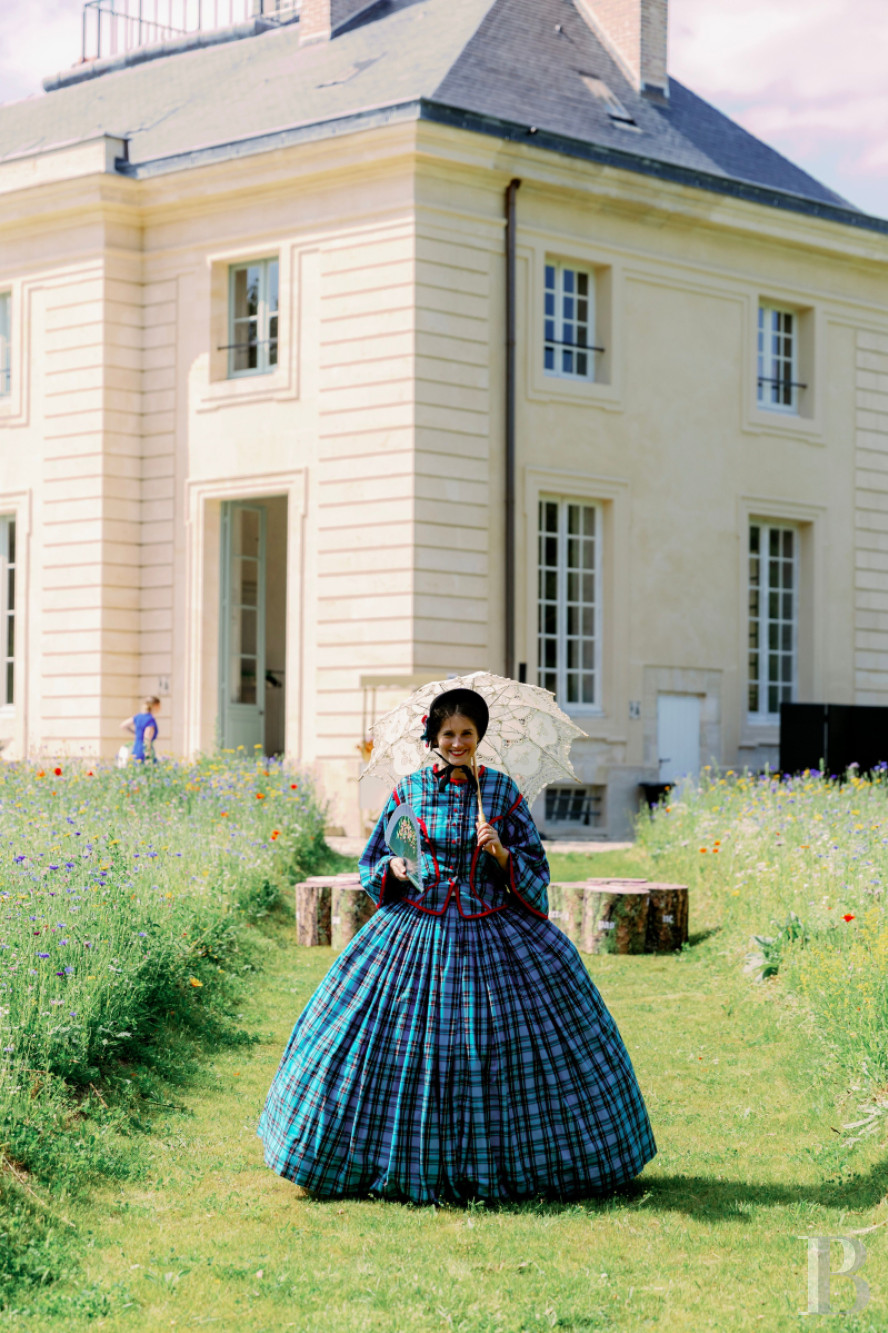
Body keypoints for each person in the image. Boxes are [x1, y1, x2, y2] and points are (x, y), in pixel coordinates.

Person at [258, 686, 657, 1205]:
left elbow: (537, 871)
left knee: (504, 1050)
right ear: (434, 736)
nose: (458, 742)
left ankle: (523, 1165)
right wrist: (395, 869)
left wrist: (501, 853)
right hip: (415, 929)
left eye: (467, 733)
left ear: (479, 736)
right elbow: (378, 856)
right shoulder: (411, 792)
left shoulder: (503, 793)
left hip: (494, 930)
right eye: (449, 733)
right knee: (389, 1045)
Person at [120, 696, 161, 763]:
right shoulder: (150, 720)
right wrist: (148, 756)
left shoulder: (138, 717)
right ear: (155, 706)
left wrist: (135, 733)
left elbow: (123, 725)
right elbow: (147, 738)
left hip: (136, 748)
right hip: (145, 750)